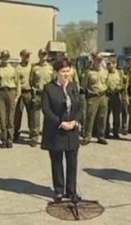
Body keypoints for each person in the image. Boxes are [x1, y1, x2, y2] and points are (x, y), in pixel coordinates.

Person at [41, 59, 82, 203]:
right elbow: (46, 109)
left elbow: (80, 106)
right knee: (57, 161)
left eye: (68, 71)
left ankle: (71, 191)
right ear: (56, 73)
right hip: (56, 130)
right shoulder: (49, 88)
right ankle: (59, 190)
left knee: (72, 162)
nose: (66, 74)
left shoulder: (74, 86)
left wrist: (75, 121)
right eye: (63, 72)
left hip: (72, 130)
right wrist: (60, 123)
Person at [81, 53, 109, 145]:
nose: (99, 61)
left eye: (101, 60)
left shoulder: (105, 72)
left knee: (102, 117)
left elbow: (107, 83)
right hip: (93, 97)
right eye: (97, 59)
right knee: (90, 117)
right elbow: (83, 86)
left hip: (103, 96)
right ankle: (87, 136)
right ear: (94, 60)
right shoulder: (89, 73)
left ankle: (101, 136)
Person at [0, 50, 20, 148]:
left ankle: (10, 139)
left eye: (6, 56)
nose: (5, 58)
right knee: (2, 116)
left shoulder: (13, 69)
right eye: (3, 56)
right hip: (0, 92)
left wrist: (17, 95)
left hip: (11, 92)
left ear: (9, 57)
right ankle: (4, 139)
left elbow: (18, 83)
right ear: (1, 57)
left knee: (10, 117)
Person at [30, 48, 54, 146]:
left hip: (48, 95)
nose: (43, 56)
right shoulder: (34, 68)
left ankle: (47, 138)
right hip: (38, 94)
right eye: (42, 54)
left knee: (48, 117)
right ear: (39, 55)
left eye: (45, 54)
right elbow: (31, 80)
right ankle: (34, 138)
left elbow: (54, 81)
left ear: (47, 56)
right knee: (35, 117)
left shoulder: (51, 68)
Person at [13, 49, 33, 145]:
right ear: (22, 56)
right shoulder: (18, 68)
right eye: (26, 55)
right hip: (21, 92)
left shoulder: (32, 67)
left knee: (31, 114)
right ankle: (15, 132)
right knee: (18, 114)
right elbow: (17, 82)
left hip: (29, 92)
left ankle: (32, 133)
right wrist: (17, 95)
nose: (28, 57)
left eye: (29, 55)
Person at [105, 57, 123, 138]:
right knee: (106, 115)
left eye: (111, 64)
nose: (109, 66)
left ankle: (116, 131)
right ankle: (106, 131)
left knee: (116, 115)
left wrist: (119, 87)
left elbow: (123, 83)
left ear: (115, 64)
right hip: (107, 95)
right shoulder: (105, 73)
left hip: (116, 96)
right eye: (108, 64)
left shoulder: (119, 73)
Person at [121, 56, 131, 135]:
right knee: (125, 111)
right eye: (130, 63)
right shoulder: (122, 71)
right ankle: (124, 127)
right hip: (124, 93)